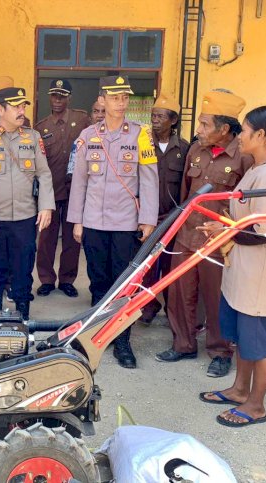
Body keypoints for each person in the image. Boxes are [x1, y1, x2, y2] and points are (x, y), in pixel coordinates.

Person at [200, 106, 266, 427]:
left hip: (259, 273)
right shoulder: (258, 169)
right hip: (241, 268)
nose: (239, 136)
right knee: (242, 335)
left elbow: (264, 233)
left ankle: (256, 405)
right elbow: (247, 222)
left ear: (260, 135)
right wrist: (225, 227)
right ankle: (241, 390)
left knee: (259, 341)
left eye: (243, 130)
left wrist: (226, 230)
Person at [157, 90, 252, 378]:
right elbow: (187, 194)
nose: (198, 130)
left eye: (205, 124)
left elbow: (246, 203)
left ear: (224, 129)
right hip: (188, 234)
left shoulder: (243, 157)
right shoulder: (195, 151)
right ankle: (183, 343)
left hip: (220, 241)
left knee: (217, 298)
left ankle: (220, 351)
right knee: (180, 293)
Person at [68, 75, 159, 368]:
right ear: (102, 101)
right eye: (115, 97)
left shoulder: (141, 135)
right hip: (94, 221)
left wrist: (147, 219)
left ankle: (122, 340)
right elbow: (80, 182)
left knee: (123, 284)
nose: (121, 102)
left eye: (125, 97)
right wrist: (77, 221)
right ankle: (95, 336)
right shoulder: (88, 135)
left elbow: (149, 180)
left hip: (125, 223)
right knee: (97, 281)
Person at [0, 86, 54, 321]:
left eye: (24, 105)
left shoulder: (33, 137)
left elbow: (44, 174)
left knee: (23, 270)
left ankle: (23, 318)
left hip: (25, 219)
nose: (22, 110)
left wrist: (46, 205)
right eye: (16, 106)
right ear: (0, 109)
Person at [34, 79, 90, 298]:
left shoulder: (82, 120)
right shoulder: (41, 127)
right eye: (54, 96)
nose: (57, 100)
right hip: (50, 194)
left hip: (74, 193)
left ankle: (67, 280)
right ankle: (46, 280)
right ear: (49, 97)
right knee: (46, 241)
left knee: (72, 240)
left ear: (69, 98)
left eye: (62, 96)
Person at [140, 93, 189, 323]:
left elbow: (187, 186)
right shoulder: (143, 142)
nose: (155, 120)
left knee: (171, 268)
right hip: (148, 217)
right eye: (153, 115)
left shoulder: (185, 149)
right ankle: (147, 307)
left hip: (173, 218)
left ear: (173, 120)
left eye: (160, 116)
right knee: (146, 267)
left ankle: (172, 310)